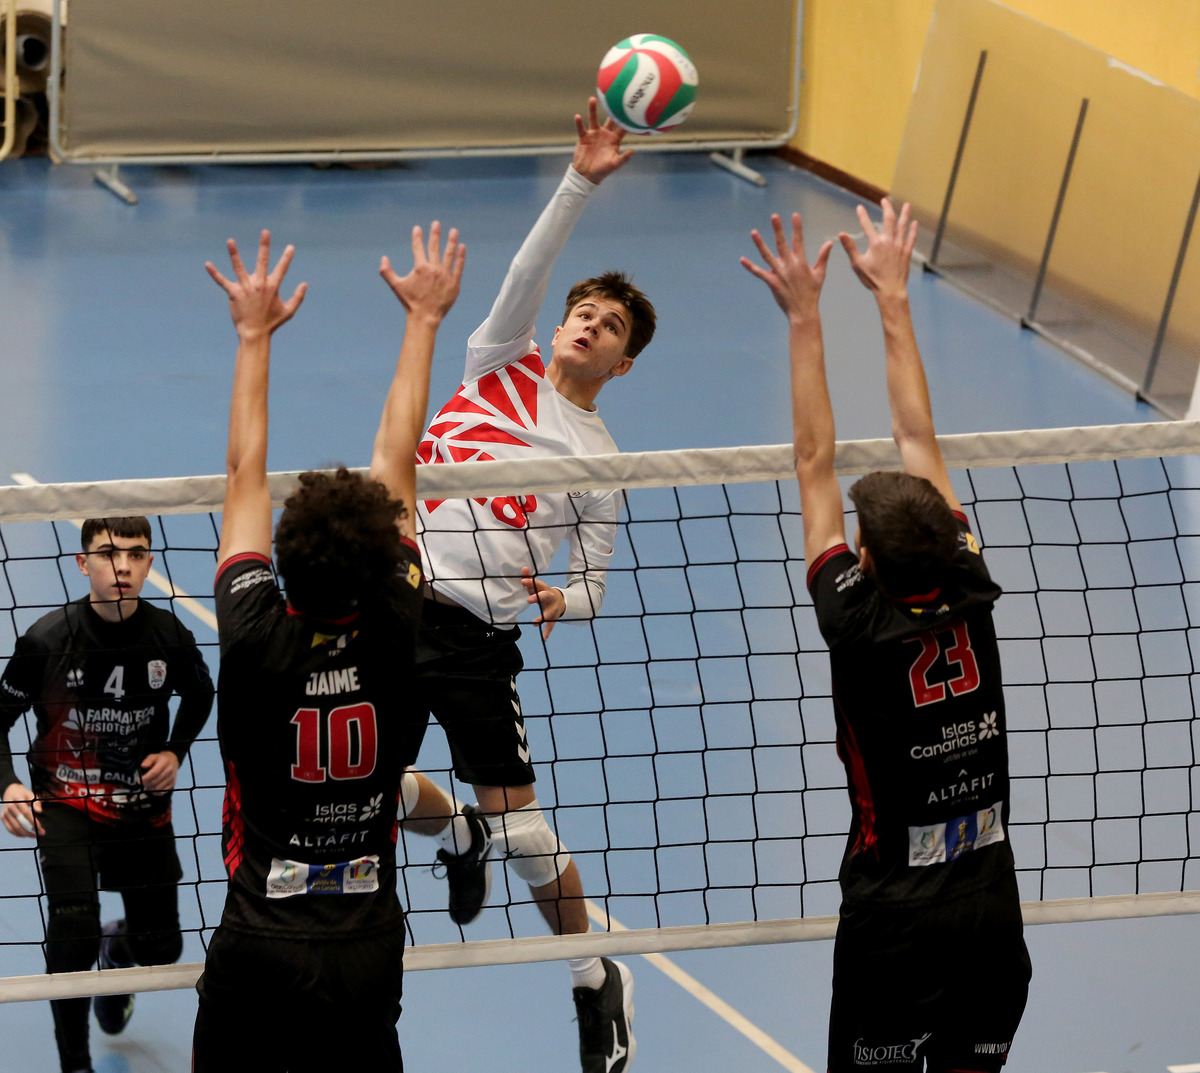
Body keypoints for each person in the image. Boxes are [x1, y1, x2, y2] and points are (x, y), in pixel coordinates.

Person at [740, 200, 1031, 1071]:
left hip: (897, 916)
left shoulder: (855, 619)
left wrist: (803, 314)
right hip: (990, 903)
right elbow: (917, 436)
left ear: (862, 557)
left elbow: (811, 459)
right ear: (944, 535)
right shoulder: (970, 579)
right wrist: (893, 297)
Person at [401, 99, 654, 1073]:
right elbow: (523, 273)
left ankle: (597, 973)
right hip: (396, 604)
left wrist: (565, 601)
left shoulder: (600, 458)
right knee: (360, 782)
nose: (590, 323)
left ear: (622, 363)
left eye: (611, 326)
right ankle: (450, 821)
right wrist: (580, 178)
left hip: (475, 638)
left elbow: (593, 581)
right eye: (584, 311)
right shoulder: (496, 366)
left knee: (522, 828)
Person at [192, 224, 463, 1071]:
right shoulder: (396, 625)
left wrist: (253, 336)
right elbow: (399, 462)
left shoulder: (253, 635)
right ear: (385, 560)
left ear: (282, 562)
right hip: (367, 940)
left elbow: (243, 472)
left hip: (260, 939)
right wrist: (424, 322)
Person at [0, 515, 215, 1073]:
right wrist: (8, 786)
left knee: (161, 950)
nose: (122, 566)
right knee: (70, 929)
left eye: (136, 554)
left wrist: (175, 750)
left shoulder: (168, 635)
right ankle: (75, 1063)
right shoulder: (47, 640)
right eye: (107, 554)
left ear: (149, 562)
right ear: (82, 563)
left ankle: (117, 945)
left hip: (140, 805)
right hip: (65, 803)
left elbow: (199, 694)